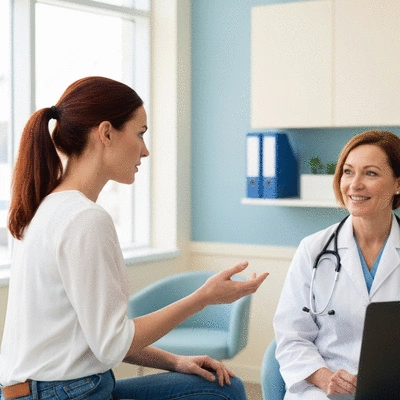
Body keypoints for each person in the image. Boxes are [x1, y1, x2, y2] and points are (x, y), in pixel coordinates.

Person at [0, 76, 269, 400]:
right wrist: (203, 297)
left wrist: (175, 361)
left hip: (42, 391)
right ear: (106, 133)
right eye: (140, 133)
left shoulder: (45, 209)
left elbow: (101, 339)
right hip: (65, 393)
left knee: (216, 386)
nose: (145, 150)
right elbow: (112, 345)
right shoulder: (85, 219)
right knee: (226, 392)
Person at [273, 130, 400, 399]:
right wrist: (325, 378)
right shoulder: (314, 250)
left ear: (398, 184)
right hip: (323, 389)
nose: (355, 184)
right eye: (348, 172)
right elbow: (291, 337)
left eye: (371, 173)